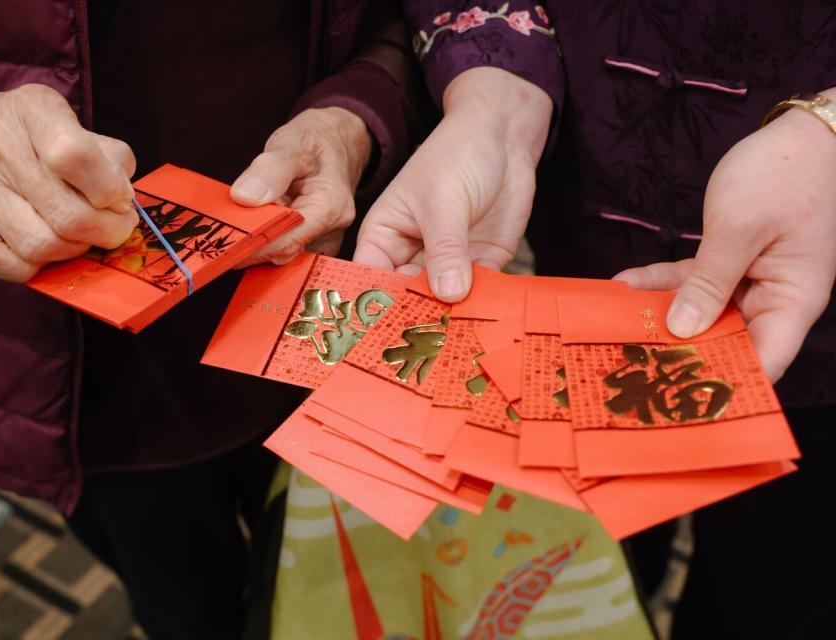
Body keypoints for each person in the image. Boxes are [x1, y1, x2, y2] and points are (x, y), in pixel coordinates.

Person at [0, 2, 425, 637]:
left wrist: (360, 110)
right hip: (79, 376)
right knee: (186, 606)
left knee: (365, 582)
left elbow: (415, 16)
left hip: (325, 299)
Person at [354, 2, 836, 638]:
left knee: (779, 573)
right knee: (612, 540)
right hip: (582, 242)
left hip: (818, 321)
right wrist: (496, 97)